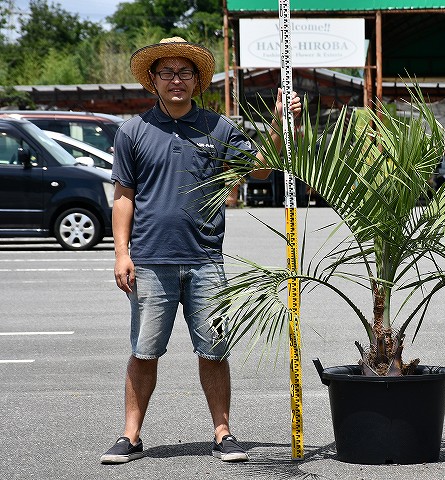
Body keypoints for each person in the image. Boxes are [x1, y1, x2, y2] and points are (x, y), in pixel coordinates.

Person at [100, 37, 301, 464]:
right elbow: (123, 196)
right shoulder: (134, 131)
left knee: (213, 351)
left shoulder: (218, 128)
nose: (176, 80)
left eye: (185, 72)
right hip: (151, 261)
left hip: (206, 258)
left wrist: (281, 125)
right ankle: (130, 436)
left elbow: (261, 168)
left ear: (197, 80)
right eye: (167, 73)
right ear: (152, 80)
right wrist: (121, 253)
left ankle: (223, 433)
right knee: (144, 350)